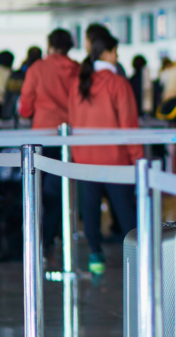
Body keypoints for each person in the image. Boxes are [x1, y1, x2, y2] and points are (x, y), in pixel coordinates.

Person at [68, 30, 142, 275]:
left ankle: (95, 257)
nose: (117, 56)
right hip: (115, 160)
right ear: (108, 53)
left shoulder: (79, 83)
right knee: (125, 213)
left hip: (84, 160)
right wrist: (138, 159)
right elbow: (128, 124)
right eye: (116, 52)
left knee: (90, 211)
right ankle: (138, 257)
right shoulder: (118, 83)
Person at [20, 29, 80, 257]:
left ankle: (34, 240)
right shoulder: (76, 69)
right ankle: (50, 239)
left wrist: (28, 113)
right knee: (58, 191)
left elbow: (26, 104)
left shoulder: (37, 68)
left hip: (40, 136)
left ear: (50, 45)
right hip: (67, 136)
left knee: (34, 190)